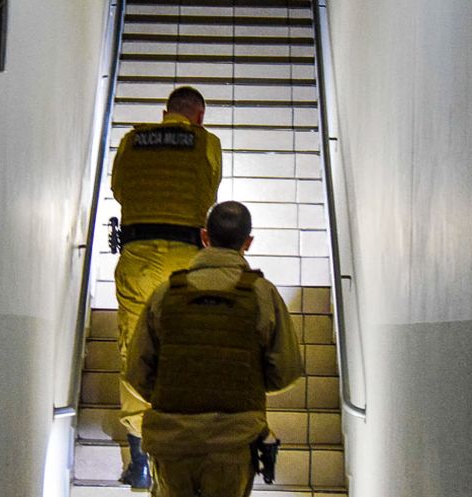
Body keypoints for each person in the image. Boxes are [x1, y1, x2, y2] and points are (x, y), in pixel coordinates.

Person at [124, 201, 304, 497]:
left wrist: (175, 399)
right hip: (234, 443)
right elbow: (285, 371)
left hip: (171, 442)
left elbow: (136, 371)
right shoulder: (263, 293)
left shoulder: (167, 292)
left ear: (205, 236)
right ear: (248, 242)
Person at [110, 86, 223, 488]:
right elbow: (210, 191)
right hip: (187, 260)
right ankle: (182, 447)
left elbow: (119, 189)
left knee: (134, 348)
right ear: (199, 117)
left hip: (138, 255)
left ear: (164, 113)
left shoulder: (132, 140)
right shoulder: (206, 142)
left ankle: (140, 460)